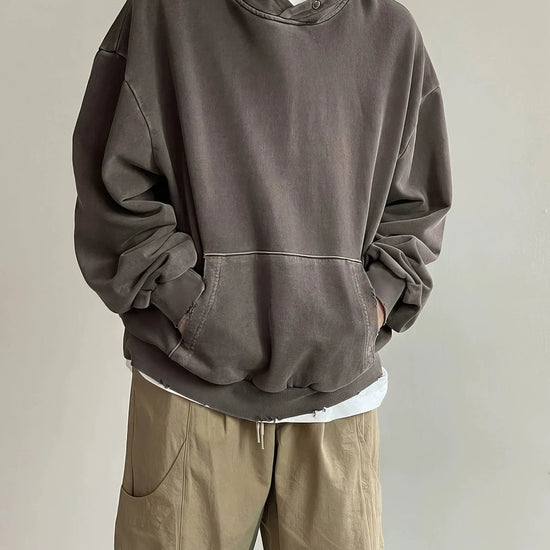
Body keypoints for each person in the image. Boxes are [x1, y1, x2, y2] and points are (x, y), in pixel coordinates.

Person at [71, 0, 453, 548]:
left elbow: (416, 209)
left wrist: (365, 311)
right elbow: (111, 187)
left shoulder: (392, 34)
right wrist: (189, 307)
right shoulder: (164, 14)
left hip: (337, 402)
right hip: (189, 393)